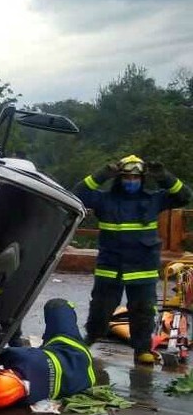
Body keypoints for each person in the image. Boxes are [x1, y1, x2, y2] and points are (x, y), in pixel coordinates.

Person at [73, 154, 192, 365]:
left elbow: (184, 196)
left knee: (143, 310)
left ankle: (142, 350)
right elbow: (78, 194)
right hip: (110, 267)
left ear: (142, 180)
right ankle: (89, 339)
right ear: (119, 179)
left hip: (143, 267)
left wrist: (164, 176)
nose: (131, 182)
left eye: (135, 178)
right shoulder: (104, 200)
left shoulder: (153, 198)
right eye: (127, 178)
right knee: (100, 309)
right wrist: (102, 174)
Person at [0, 298, 95, 408]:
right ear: (8, 375)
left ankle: (45, 348)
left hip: (84, 380)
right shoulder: (25, 360)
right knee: (57, 305)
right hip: (72, 350)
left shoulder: (23, 400)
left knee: (44, 355)